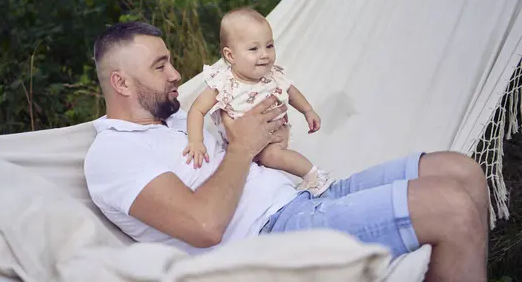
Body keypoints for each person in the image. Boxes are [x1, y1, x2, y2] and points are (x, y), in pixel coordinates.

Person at [84, 21, 489, 282]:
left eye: (170, 61)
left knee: (461, 170)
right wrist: (244, 146)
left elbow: (244, 148)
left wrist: (265, 135)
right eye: (160, 66)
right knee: (450, 206)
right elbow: (203, 226)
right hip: (272, 239)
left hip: (303, 200)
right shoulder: (114, 154)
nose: (176, 74)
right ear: (121, 83)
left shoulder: (174, 119)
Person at [183, 8, 332, 196]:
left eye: (269, 46)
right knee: (242, 171)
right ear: (230, 56)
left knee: (270, 156)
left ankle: (314, 176)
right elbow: (197, 109)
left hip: (273, 134)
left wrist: (308, 111)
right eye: (254, 49)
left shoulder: (272, 75)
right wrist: (196, 141)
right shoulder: (223, 83)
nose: (264, 54)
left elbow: (291, 91)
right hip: (241, 142)